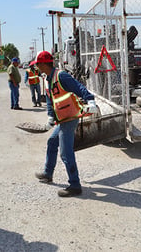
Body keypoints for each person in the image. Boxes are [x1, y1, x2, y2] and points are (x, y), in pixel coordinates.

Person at [34, 51, 98, 197]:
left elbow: (78, 87)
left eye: (37, 64)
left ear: (44, 64)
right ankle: (47, 173)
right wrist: (51, 117)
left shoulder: (61, 76)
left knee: (65, 153)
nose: (36, 67)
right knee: (52, 141)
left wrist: (90, 100)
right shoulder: (48, 79)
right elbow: (50, 100)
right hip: (62, 118)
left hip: (70, 118)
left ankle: (75, 185)